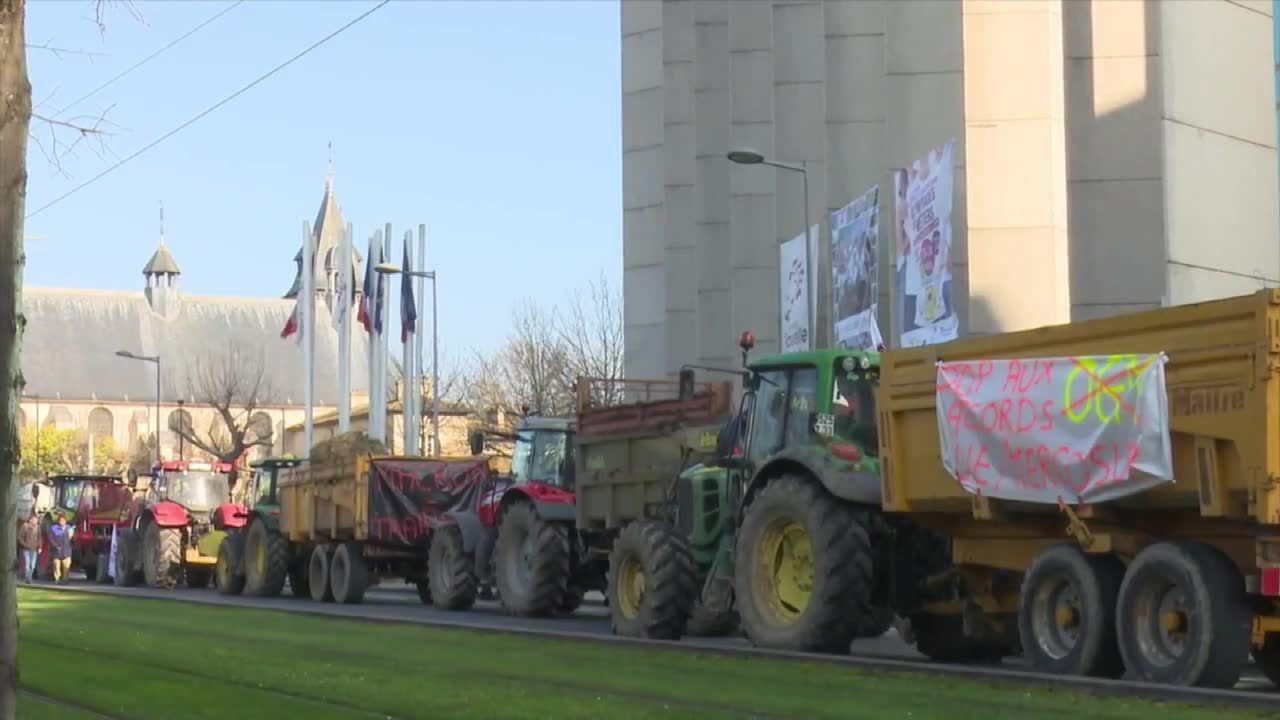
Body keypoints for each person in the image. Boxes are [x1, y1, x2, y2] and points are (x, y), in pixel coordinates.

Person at [47, 513, 73, 584]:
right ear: (58, 521)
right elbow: (51, 538)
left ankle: (65, 579)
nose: (62, 522)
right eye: (60, 520)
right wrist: (55, 546)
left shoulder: (69, 528)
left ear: (65, 521)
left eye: (63, 520)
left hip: (66, 551)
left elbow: (72, 539)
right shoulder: (54, 528)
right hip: (56, 551)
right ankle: (57, 579)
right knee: (56, 566)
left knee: (66, 566)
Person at [17, 512, 39, 583]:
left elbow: (39, 537)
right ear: (30, 520)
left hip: (34, 549)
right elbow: (20, 537)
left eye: (37, 520)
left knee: (32, 565)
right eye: (35, 519)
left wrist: (40, 546)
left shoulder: (37, 527)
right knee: (27, 564)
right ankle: (28, 578)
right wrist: (24, 544)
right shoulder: (25, 526)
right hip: (26, 549)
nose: (36, 521)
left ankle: (29, 576)